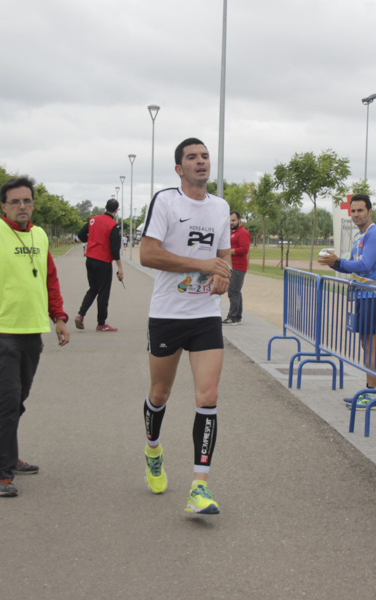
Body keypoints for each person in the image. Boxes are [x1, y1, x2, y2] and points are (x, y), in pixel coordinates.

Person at [0, 176, 71, 498]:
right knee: (6, 402)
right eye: (15, 202)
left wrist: (59, 317)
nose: (22, 206)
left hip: (31, 334)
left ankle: (9, 455)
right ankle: (0, 474)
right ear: (3, 206)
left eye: (27, 201)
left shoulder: (39, 235)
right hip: (1, 335)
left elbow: (49, 279)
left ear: (33, 203)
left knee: (17, 400)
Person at [139, 138, 231, 515]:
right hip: (168, 313)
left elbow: (223, 254)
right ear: (179, 168)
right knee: (160, 393)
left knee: (207, 395)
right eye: (192, 158)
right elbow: (147, 253)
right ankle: (153, 449)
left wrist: (223, 271)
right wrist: (201, 266)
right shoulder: (166, 201)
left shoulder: (221, 207)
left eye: (205, 156)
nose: (200, 162)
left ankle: (199, 487)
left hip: (205, 313)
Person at [318, 194, 376, 409]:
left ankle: (373, 395)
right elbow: (352, 265)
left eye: (360, 210)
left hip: (373, 294)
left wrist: (338, 261)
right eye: (353, 211)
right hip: (363, 293)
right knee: (366, 344)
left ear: (370, 211)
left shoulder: (375, 233)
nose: (356, 215)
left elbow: (365, 265)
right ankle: (370, 390)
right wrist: (334, 264)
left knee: (370, 345)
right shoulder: (360, 236)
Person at [75, 199, 124, 332]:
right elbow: (115, 249)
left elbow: (80, 235)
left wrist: (90, 240)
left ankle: (81, 314)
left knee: (93, 288)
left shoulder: (93, 220)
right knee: (103, 292)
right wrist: (120, 267)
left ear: (105, 207)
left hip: (90, 259)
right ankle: (101, 323)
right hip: (103, 262)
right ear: (116, 210)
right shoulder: (114, 225)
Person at [223, 211, 251, 326]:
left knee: (233, 291)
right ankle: (237, 316)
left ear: (239, 220)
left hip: (239, 267)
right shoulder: (230, 232)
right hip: (231, 265)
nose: (231, 223)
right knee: (236, 292)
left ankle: (233, 317)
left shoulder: (243, 233)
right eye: (229, 220)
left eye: (233, 220)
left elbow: (244, 250)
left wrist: (229, 251)